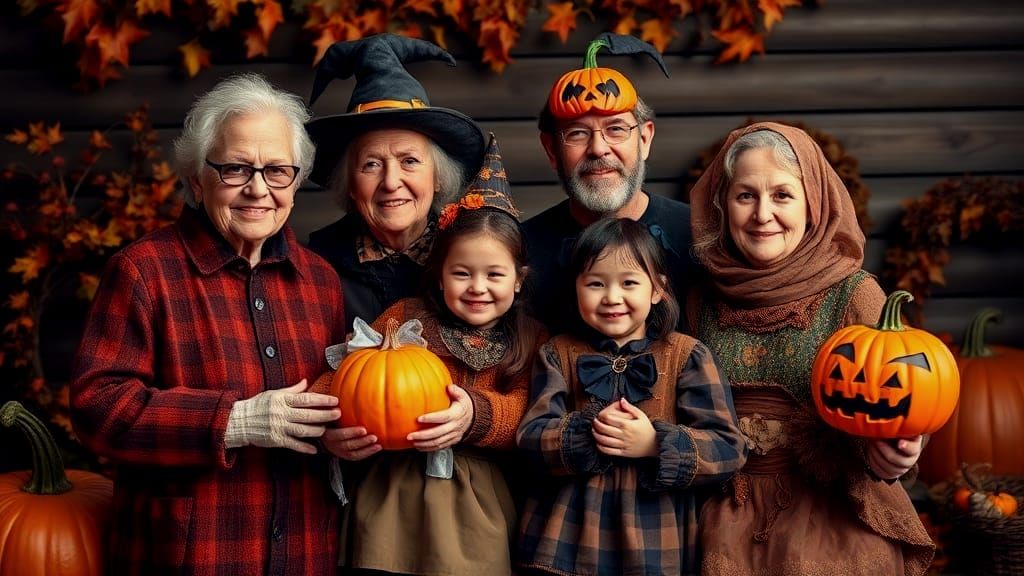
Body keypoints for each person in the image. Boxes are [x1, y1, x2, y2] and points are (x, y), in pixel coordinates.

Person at [69, 74, 345, 574]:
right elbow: (97, 407)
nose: (258, 189)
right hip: (189, 556)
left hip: (306, 552)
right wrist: (233, 421)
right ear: (197, 179)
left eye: (277, 170)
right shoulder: (144, 271)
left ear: (296, 180)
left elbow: (332, 398)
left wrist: (340, 433)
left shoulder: (320, 281)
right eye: (236, 169)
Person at [687, 122, 935, 575]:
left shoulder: (854, 295)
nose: (763, 214)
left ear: (813, 203)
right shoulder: (701, 298)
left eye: (782, 195)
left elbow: (909, 395)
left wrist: (898, 454)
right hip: (725, 518)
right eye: (746, 196)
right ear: (723, 205)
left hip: (833, 519)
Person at [319, 135, 546, 575]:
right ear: (439, 276)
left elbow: (531, 408)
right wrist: (327, 416)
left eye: (493, 275)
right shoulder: (407, 320)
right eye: (461, 273)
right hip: (393, 487)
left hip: (477, 497)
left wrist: (476, 417)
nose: (477, 287)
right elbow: (350, 368)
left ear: (518, 281)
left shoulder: (530, 338)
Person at [516, 217, 747, 576]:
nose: (612, 297)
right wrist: (585, 434)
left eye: (629, 283)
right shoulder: (557, 352)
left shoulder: (687, 355)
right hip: (568, 539)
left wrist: (656, 443)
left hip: (655, 541)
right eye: (595, 283)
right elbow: (530, 439)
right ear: (576, 288)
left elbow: (728, 448)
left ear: (657, 290)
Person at [305, 33, 487, 333]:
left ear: (438, 177)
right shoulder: (317, 263)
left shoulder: (473, 252)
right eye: (371, 164)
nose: (391, 182)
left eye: (409, 161)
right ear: (350, 184)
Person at [523, 33, 699, 336]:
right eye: (577, 133)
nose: (598, 148)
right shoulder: (520, 252)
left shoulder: (699, 237)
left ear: (644, 139)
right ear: (552, 150)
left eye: (616, 129)